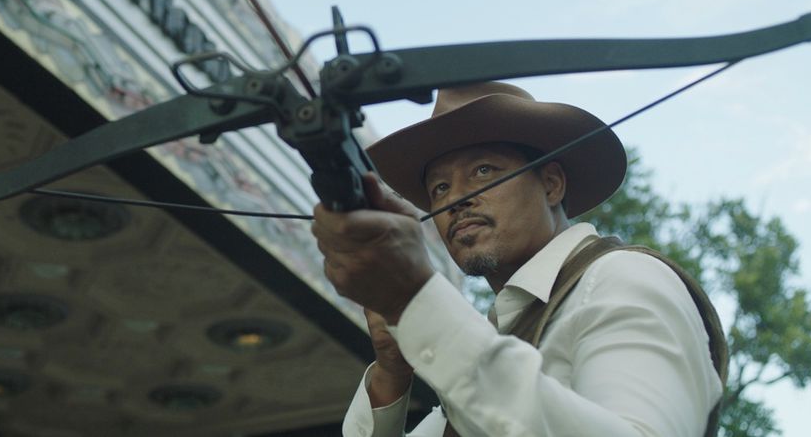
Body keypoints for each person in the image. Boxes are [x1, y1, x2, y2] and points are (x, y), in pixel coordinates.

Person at [311, 81, 726, 437]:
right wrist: (391, 369)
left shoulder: (622, 278)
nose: (456, 199)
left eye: (484, 170)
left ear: (551, 184)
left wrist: (417, 299)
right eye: (439, 188)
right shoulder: (498, 342)